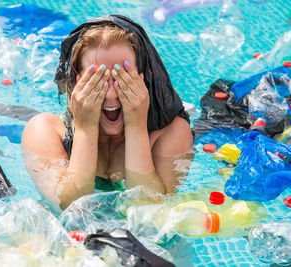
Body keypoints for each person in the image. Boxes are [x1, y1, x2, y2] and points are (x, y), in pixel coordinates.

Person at [22, 15, 193, 210]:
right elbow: (69, 205)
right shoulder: (45, 131)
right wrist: (85, 129)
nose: (111, 95)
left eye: (123, 79)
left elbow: (150, 209)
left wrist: (136, 127)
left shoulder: (171, 133)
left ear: (144, 81)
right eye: (97, 80)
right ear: (76, 83)